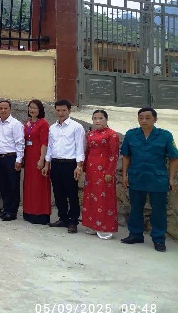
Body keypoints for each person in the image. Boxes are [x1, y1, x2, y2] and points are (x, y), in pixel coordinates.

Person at [120, 107, 178, 252]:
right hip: (136, 177)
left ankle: (158, 239)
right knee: (135, 208)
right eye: (141, 118)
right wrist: (124, 175)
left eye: (147, 117)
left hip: (157, 179)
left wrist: (171, 178)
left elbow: (174, 158)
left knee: (158, 210)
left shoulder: (165, 136)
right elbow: (126, 156)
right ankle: (135, 234)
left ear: (155, 119)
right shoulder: (131, 135)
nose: (144, 120)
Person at [42, 99, 85, 234]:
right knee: (58, 192)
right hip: (55, 163)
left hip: (70, 164)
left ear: (69, 111)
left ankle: (73, 221)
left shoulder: (76, 127)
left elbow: (80, 148)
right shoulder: (52, 128)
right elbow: (50, 147)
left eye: (64, 110)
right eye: (58, 110)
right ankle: (63, 218)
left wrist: (79, 166)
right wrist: (47, 164)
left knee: (71, 194)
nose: (60, 113)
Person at [81, 109, 119, 239]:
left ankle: (105, 228)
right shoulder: (90, 134)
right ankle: (92, 225)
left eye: (100, 118)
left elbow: (114, 155)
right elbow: (87, 151)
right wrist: (84, 167)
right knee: (91, 197)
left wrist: (110, 171)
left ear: (106, 119)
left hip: (104, 170)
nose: (97, 121)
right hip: (91, 171)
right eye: (95, 118)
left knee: (104, 198)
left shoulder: (112, 135)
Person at [0, 100, 25, 221]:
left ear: (10, 109)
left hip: (11, 158)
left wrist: (19, 159)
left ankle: (12, 211)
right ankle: (6, 209)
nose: (3, 110)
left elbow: (20, 143)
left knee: (13, 185)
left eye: (5, 108)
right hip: (0, 158)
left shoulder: (15, 124)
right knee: (3, 185)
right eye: (1, 108)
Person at [22, 99, 51, 225]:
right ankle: (29, 212)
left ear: (40, 110)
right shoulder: (27, 123)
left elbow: (45, 142)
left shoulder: (43, 123)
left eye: (34, 108)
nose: (32, 110)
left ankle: (40, 213)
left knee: (39, 185)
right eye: (30, 107)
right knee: (29, 185)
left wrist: (42, 159)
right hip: (28, 156)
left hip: (38, 156)